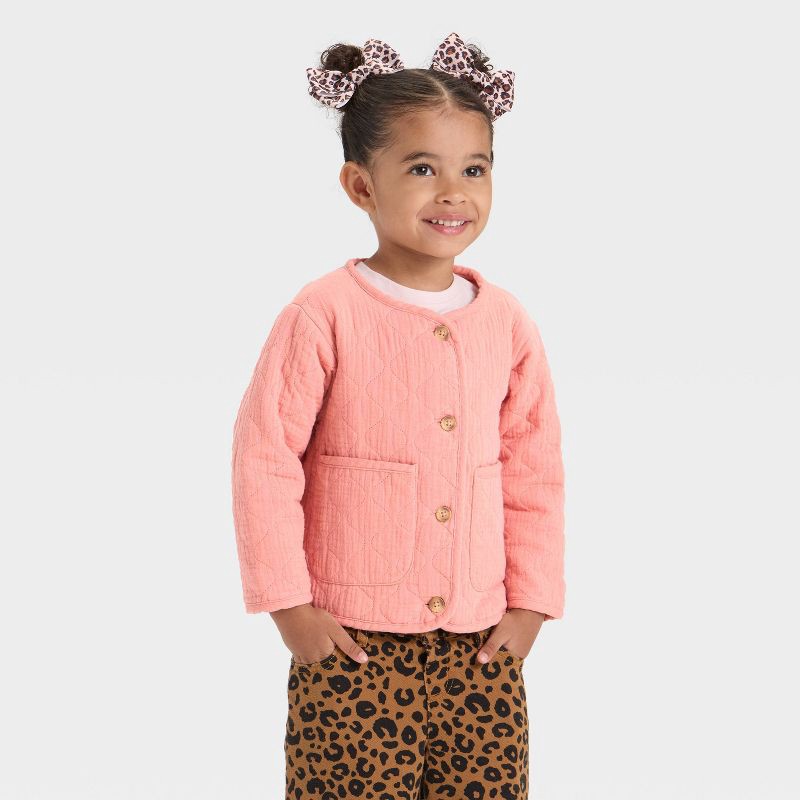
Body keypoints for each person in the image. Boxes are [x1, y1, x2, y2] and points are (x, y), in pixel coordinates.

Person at [231, 31, 566, 799]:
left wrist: (532, 602)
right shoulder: (323, 313)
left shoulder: (507, 322)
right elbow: (264, 459)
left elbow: (534, 470)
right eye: (422, 169)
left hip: (482, 642)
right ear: (361, 185)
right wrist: (290, 607)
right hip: (350, 641)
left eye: (474, 169)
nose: (453, 192)